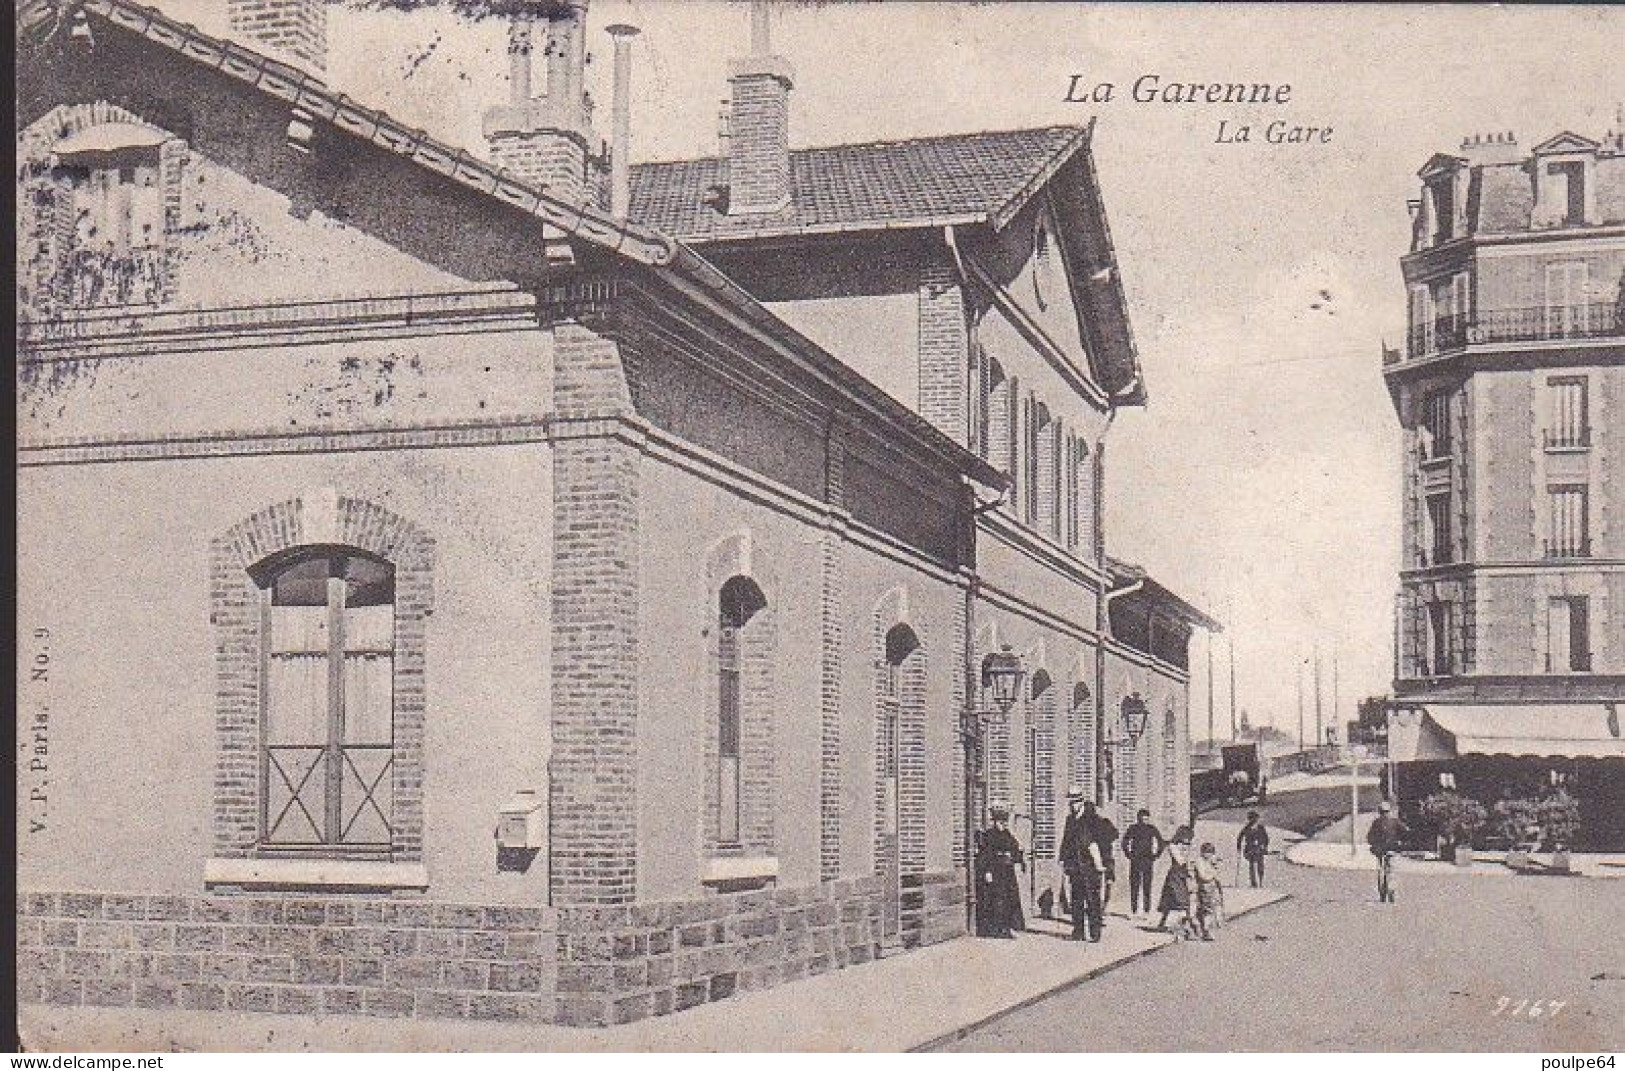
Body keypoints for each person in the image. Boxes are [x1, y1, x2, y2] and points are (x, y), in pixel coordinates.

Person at [1058, 792, 1106, 941]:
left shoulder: (1092, 819)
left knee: (1092, 900)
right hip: (1075, 866)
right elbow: (1066, 840)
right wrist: (1062, 857)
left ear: (1081, 802)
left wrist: (1101, 863)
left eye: (1075, 803)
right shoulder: (1070, 820)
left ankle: (1095, 932)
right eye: (1071, 803)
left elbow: (1101, 841)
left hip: (1090, 866)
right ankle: (1078, 931)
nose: (1072, 806)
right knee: (1076, 900)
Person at [976, 808, 1027, 937]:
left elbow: (1015, 848)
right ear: (994, 822)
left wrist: (1018, 858)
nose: (1002, 825)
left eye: (1004, 822)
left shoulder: (1007, 834)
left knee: (1009, 900)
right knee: (996, 901)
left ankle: (1007, 927)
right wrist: (987, 871)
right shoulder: (989, 835)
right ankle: (995, 929)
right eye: (1000, 822)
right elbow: (984, 855)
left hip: (1007, 873)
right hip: (995, 871)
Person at [1121, 809, 1166, 915]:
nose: (1144, 820)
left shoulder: (1152, 829)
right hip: (1135, 860)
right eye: (1142, 818)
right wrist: (1128, 854)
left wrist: (1156, 855)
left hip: (1147, 860)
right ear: (1138, 818)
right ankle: (1134, 910)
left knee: (1147, 885)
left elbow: (1161, 842)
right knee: (1134, 885)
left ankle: (1146, 910)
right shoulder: (1133, 828)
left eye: (1146, 818)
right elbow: (1125, 841)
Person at [1156, 825, 1195, 938]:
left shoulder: (1185, 847)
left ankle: (1184, 925)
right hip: (1175, 875)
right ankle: (1169, 924)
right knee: (1175, 899)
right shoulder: (1173, 846)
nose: (1188, 841)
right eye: (1187, 838)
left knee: (1184, 900)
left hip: (1184, 875)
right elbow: (1180, 861)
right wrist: (1185, 852)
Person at [1367, 801, 1409, 904]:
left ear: (1379, 811)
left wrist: (1374, 846)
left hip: (1380, 851)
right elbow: (1406, 832)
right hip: (1392, 850)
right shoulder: (1395, 822)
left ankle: (1382, 893)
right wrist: (1401, 842)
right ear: (1389, 811)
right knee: (1391, 872)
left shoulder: (1376, 822)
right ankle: (1391, 891)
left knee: (1381, 871)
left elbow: (1370, 837)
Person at [1190, 842, 1224, 940]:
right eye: (1207, 852)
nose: (1209, 855)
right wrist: (1214, 872)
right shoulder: (1199, 862)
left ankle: (1203, 930)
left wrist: (1215, 868)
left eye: (1211, 853)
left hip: (1211, 889)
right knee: (1206, 911)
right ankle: (1206, 931)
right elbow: (1204, 877)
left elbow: (1217, 878)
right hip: (1203, 888)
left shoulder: (1210, 862)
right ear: (1203, 852)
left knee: (1207, 910)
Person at [1090, 804, 1120, 914]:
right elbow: (1115, 834)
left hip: (1103, 857)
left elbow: (1115, 834)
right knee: (1107, 881)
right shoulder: (1104, 821)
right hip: (1105, 856)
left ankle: (1100, 907)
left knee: (1105, 881)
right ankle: (1102, 907)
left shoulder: (1099, 822)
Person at [1236, 810, 1270, 888]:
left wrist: (1264, 846)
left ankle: (1261, 881)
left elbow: (1266, 838)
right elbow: (1240, 838)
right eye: (1251, 818)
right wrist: (1238, 847)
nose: (1253, 820)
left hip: (1259, 849)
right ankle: (1253, 882)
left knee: (1260, 865)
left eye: (1255, 818)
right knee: (1252, 866)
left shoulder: (1261, 827)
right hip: (1250, 849)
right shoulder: (1246, 828)